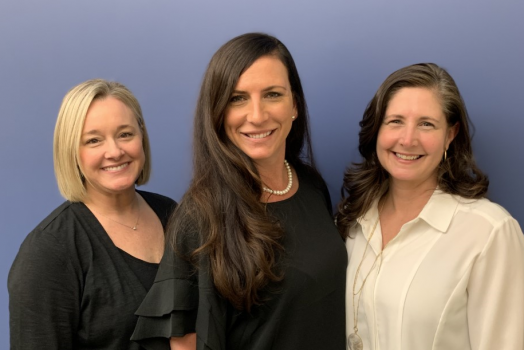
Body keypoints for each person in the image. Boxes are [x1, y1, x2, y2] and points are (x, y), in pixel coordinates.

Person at [131, 33, 347, 350]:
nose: (257, 115)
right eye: (237, 98)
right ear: (217, 112)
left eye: (273, 94)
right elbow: (185, 343)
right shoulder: (198, 218)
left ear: (295, 106)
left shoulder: (311, 186)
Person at [336, 63, 524, 350]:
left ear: (450, 134)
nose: (408, 139)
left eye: (426, 124)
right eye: (395, 121)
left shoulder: (489, 233)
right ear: (377, 130)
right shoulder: (355, 220)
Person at [8, 79, 177, 349]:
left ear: (141, 137)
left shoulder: (173, 215)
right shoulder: (49, 251)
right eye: (94, 140)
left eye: (125, 134)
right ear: (72, 152)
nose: (115, 151)